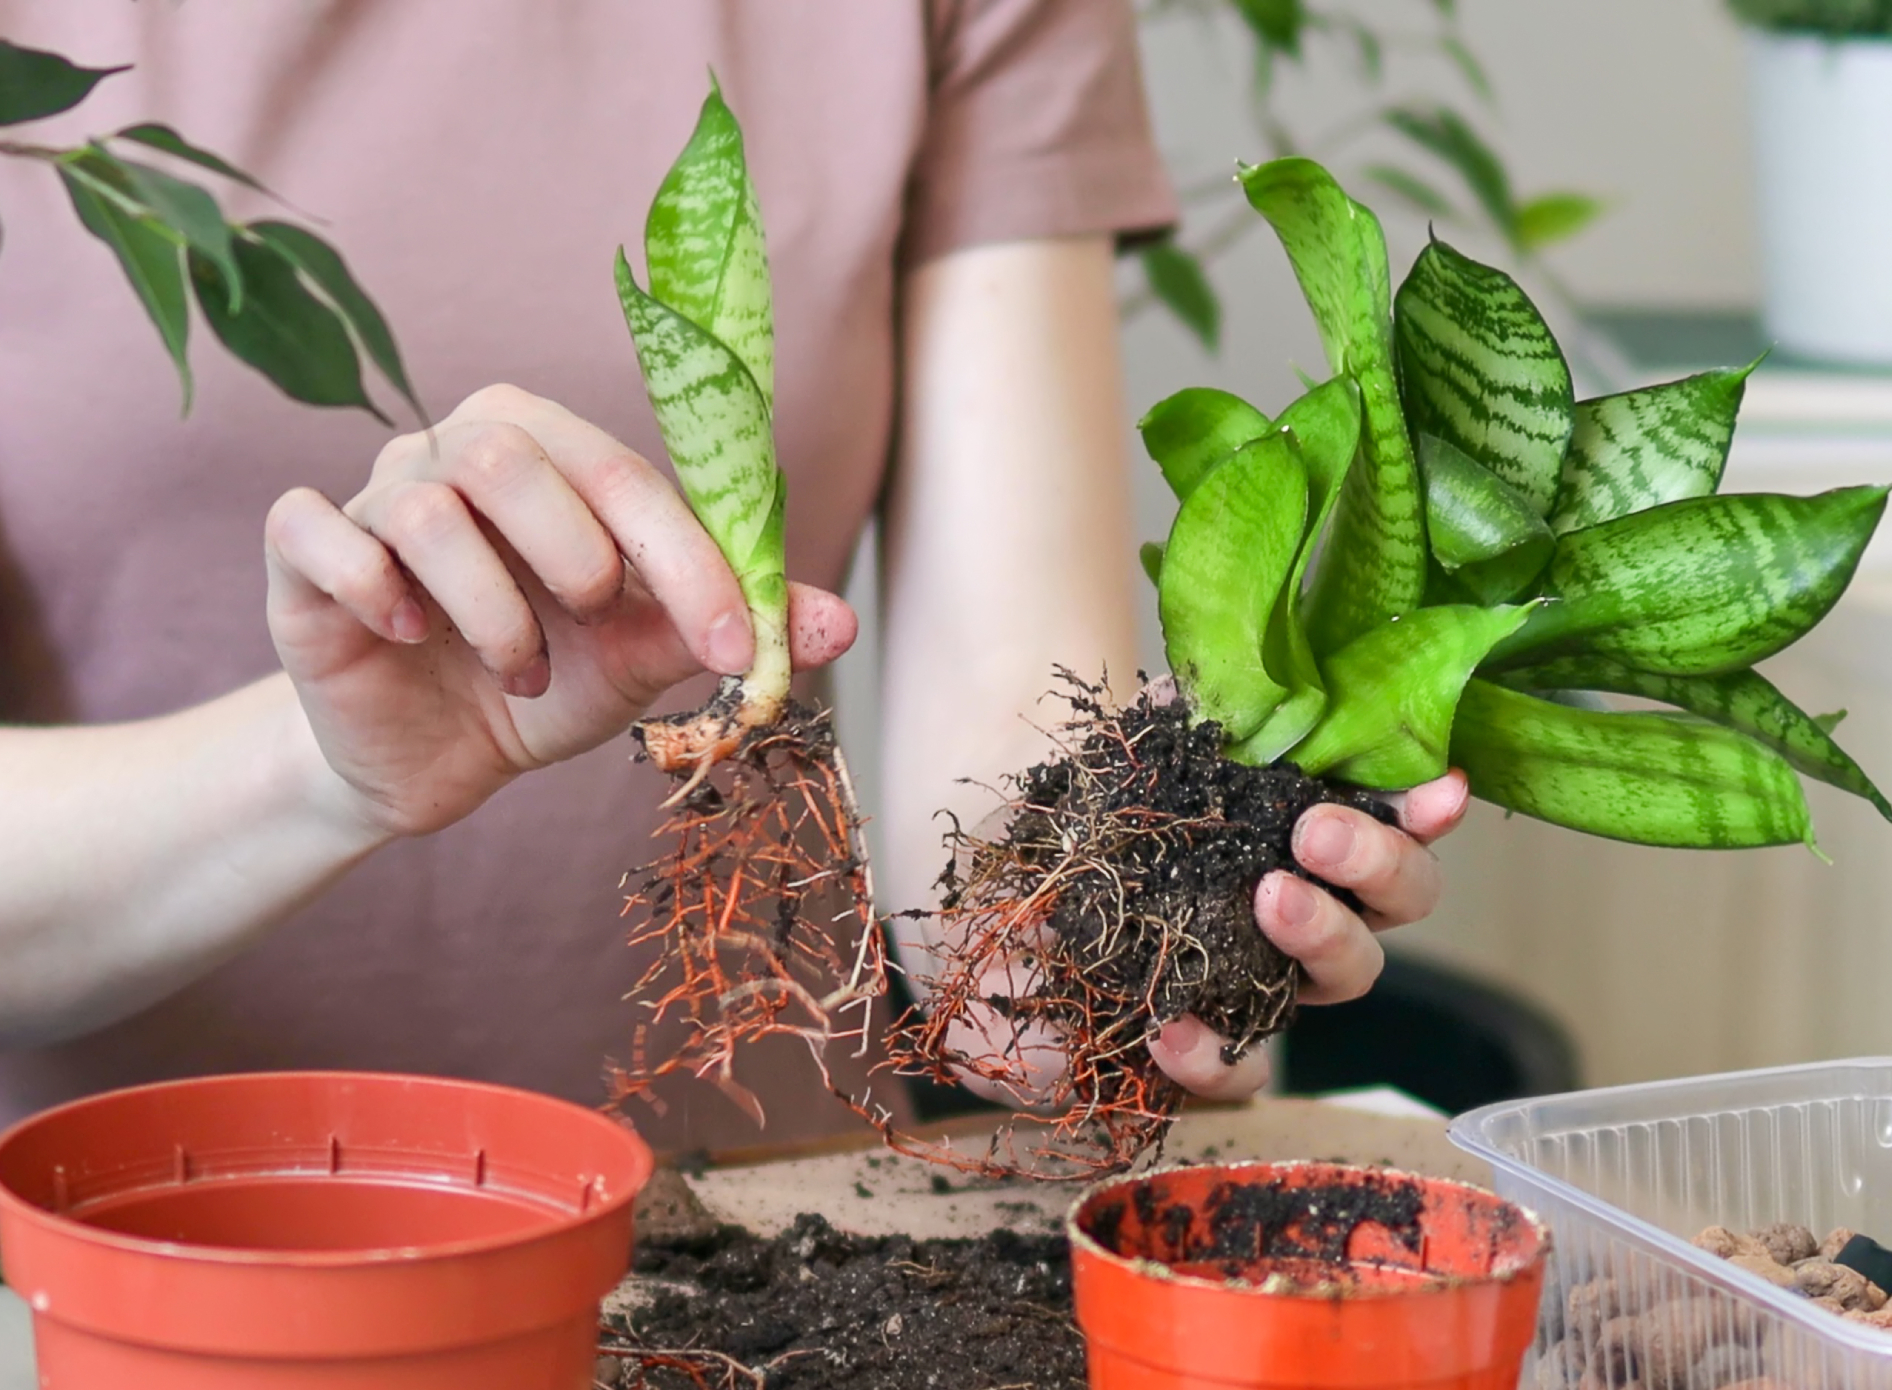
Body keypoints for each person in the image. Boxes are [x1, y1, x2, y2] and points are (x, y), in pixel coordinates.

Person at [0, 0, 1464, 1147]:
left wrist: (1082, 950)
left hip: (755, 1247)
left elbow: (1010, 695)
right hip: (115, 1298)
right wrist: (326, 767)